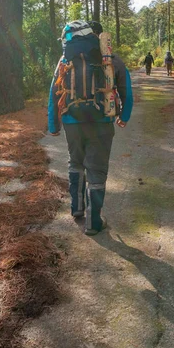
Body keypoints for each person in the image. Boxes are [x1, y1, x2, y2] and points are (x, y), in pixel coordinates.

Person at [48, 20, 133, 236]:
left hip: (72, 122)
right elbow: (126, 90)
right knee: (97, 169)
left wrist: (53, 124)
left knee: (76, 162)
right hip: (101, 122)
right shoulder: (109, 58)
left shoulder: (64, 59)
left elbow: (53, 93)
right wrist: (124, 115)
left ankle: (76, 209)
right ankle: (94, 222)